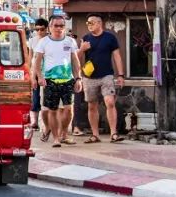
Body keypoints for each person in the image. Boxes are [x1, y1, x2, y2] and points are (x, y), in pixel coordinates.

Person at [32, 15, 83, 148]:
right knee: (52, 111)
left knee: (68, 110)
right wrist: (39, 77)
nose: (59, 28)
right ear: (50, 27)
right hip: (50, 81)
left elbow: (75, 61)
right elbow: (37, 62)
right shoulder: (43, 42)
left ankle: (64, 133)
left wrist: (78, 78)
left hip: (67, 80)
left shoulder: (70, 41)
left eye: (61, 25)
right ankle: (56, 138)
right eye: (56, 25)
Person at [80, 15, 126, 143]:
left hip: (107, 75)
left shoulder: (110, 37)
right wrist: (81, 49)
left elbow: (117, 56)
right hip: (89, 76)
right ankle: (95, 135)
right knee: (92, 106)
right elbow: (76, 58)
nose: (89, 24)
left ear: (99, 23)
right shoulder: (86, 38)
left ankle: (114, 133)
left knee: (110, 102)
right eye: (87, 22)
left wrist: (121, 75)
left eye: (91, 22)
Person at [29, 18, 51, 141]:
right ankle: (35, 122)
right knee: (35, 97)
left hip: (47, 72)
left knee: (46, 100)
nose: (39, 32)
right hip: (35, 72)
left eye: (42, 29)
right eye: (37, 29)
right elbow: (30, 57)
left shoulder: (49, 40)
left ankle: (46, 126)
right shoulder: (32, 40)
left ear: (46, 29)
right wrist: (31, 75)